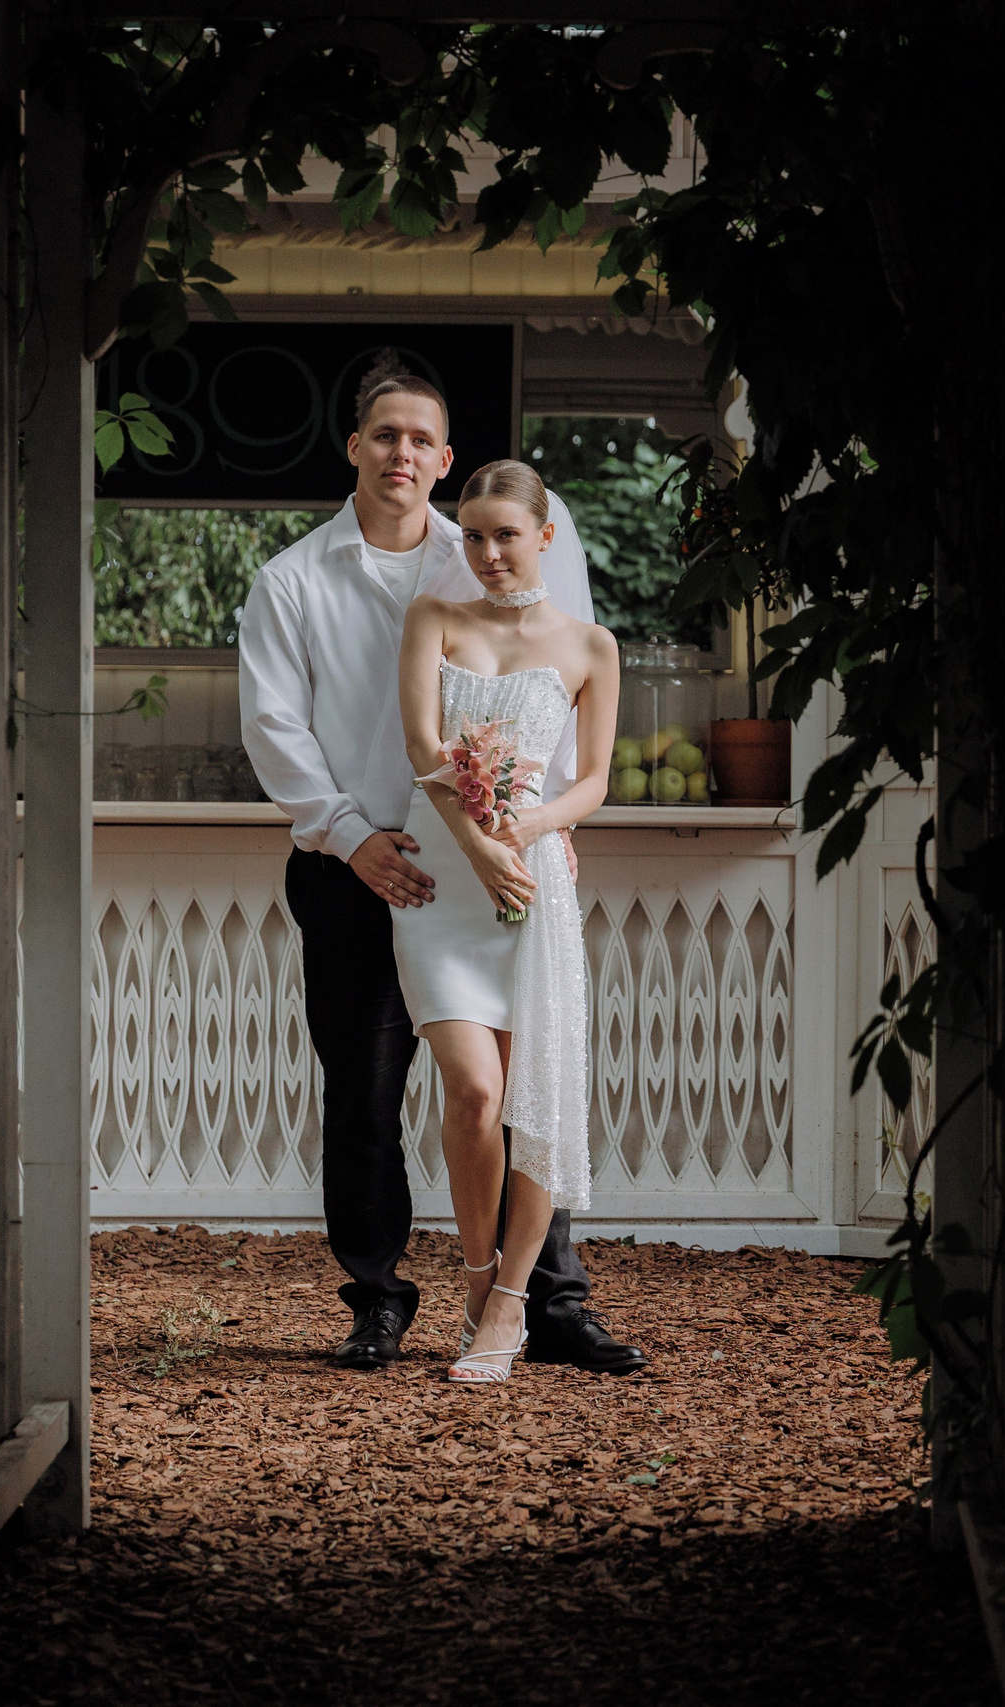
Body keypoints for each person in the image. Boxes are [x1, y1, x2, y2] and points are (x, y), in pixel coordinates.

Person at [236, 373, 648, 1376]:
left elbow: (554, 701)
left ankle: (543, 1303)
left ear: (445, 458)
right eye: (385, 435)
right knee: (366, 1096)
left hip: (490, 861)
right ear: (354, 447)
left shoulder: (484, 548)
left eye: (421, 438)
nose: (402, 453)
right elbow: (273, 727)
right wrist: (350, 835)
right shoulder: (292, 580)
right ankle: (377, 1299)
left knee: (514, 1088)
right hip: (355, 859)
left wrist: (539, 825)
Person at [393, 460, 615, 1382]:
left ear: (545, 537)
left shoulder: (591, 645)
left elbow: (593, 782)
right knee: (475, 1092)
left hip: (532, 881)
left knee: (535, 1100)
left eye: (506, 535)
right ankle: (477, 1274)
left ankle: (510, 1301)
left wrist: (527, 829)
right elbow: (422, 745)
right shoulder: (433, 619)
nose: (487, 553)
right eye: (475, 535)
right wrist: (477, 847)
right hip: (443, 882)